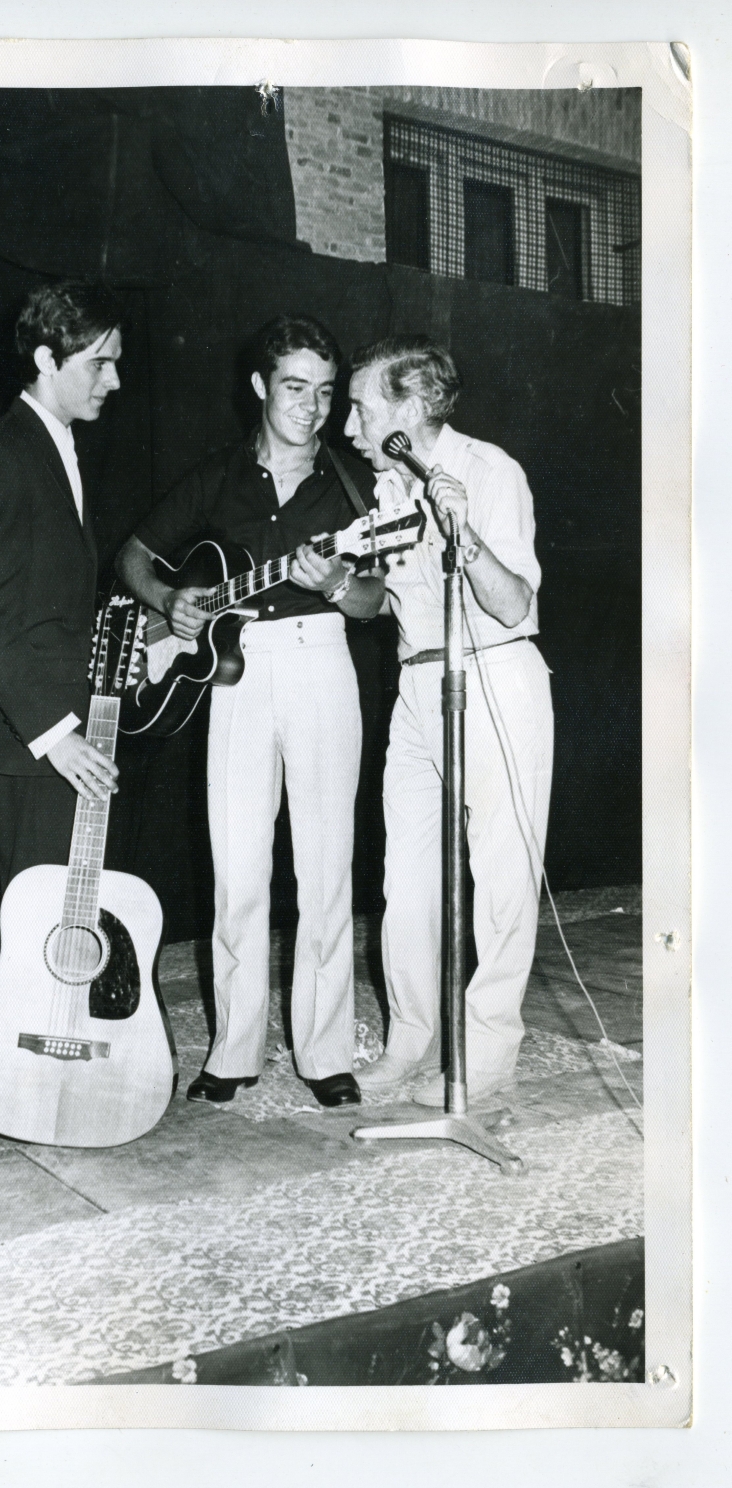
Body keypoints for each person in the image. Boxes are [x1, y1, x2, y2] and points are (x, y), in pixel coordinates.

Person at [117, 315, 384, 1108]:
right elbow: (133, 555)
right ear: (262, 387)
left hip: (320, 660)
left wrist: (336, 582)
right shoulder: (218, 476)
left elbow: (373, 602)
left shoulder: (355, 489)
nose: (311, 407)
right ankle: (232, 1052)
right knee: (236, 868)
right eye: (295, 388)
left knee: (326, 865)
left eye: (326, 392)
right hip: (234, 676)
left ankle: (325, 1050)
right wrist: (172, 599)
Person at [345, 335, 554, 1105]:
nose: (348, 427)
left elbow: (512, 603)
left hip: (494, 675)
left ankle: (488, 1060)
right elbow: (374, 598)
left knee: (500, 883)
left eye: (361, 409)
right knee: (405, 881)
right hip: (416, 686)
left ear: (410, 407)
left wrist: (461, 531)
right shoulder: (388, 492)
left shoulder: (490, 473)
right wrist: (338, 576)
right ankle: (410, 1043)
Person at [0, 281, 123, 890]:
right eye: (98, 363)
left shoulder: (53, 447)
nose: (114, 380)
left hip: (61, 732)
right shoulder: (3, 458)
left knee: (62, 920)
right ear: (47, 360)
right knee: (37, 932)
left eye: (116, 364)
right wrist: (57, 738)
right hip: (36, 741)